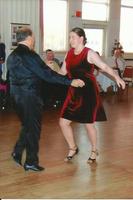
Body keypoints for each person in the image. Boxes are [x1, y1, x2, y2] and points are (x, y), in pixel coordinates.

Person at [6, 27, 85, 172]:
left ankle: (17, 152)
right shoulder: (30, 55)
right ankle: (31, 162)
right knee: (34, 129)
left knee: (27, 126)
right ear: (29, 38)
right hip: (29, 97)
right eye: (33, 37)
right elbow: (47, 74)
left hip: (16, 97)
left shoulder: (11, 56)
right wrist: (70, 82)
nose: (34, 40)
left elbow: (11, 78)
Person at [58, 27, 125, 163]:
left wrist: (117, 78)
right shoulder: (69, 54)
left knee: (88, 124)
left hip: (88, 93)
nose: (70, 40)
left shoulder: (89, 53)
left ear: (81, 38)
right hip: (73, 93)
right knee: (63, 122)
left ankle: (94, 150)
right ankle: (73, 148)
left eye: (73, 37)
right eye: (69, 37)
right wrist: (45, 75)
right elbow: (62, 72)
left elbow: (105, 67)